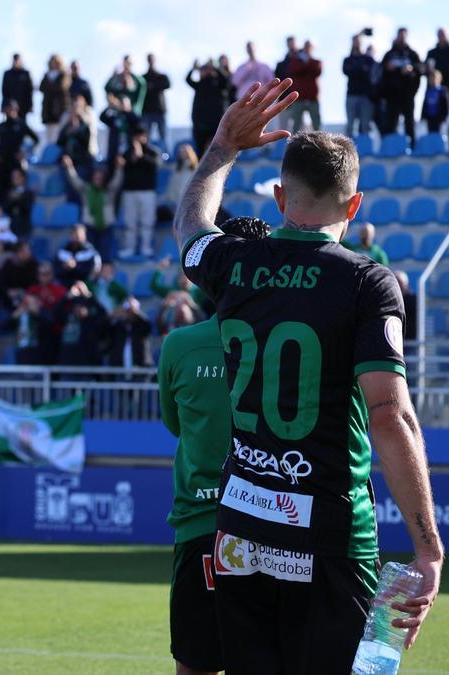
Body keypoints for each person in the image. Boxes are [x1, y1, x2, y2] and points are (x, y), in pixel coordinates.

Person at [173, 78, 442, 671]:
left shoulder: (234, 264)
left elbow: (190, 227)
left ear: (277, 198)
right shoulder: (368, 282)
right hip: (330, 532)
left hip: (241, 528)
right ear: (354, 206)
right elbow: (390, 415)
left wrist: (222, 147)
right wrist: (428, 547)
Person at [159, 215, 271, 675]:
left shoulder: (180, 345)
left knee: (197, 664)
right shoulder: (289, 340)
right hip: (278, 522)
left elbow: (174, 425)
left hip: (202, 523)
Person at [117, 128, 160, 259]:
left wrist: (140, 156)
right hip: (130, 192)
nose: (137, 139)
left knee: (147, 222)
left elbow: (155, 165)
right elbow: (124, 168)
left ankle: (146, 248)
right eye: (135, 136)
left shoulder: (153, 151)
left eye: (140, 135)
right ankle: (130, 248)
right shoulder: (126, 153)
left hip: (147, 192)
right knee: (130, 223)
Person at [381, 28, 425, 145]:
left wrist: (411, 68)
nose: (401, 38)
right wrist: (388, 68)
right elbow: (381, 71)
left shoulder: (412, 54)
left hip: (408, 94)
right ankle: (390, 146)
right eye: (400, 35)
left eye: (403, 35)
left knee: (409, 122)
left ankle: (412, 146)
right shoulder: (389, 54)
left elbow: (421, 69)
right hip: (392, 95)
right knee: (391, 122)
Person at [0, 101, 40, 190]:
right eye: (7, 109)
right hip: (2, 162)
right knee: (2, 189)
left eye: (11, 109)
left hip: (16, 162)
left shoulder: (21, 125)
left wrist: (24, 154)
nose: (9, 112)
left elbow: (36, 140)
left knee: (16, 189)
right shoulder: (1, 126)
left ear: (16, 109)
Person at [186, 60, 231, 155]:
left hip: (216, 125)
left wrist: (216, 67)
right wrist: (193, 69)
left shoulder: (218, 84)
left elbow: (226, 79)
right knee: (200, 153)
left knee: (219, 152)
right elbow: (188, 79)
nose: (204, 71)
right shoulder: (199, 85)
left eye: (206, 69)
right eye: (202, 69)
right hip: (200, 126)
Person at [343, 34, 378, 137]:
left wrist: (357, 70)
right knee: (350, 125)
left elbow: (373, 72)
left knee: (365, 125)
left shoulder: (368, 59)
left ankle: (365, 149)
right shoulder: (347, 60)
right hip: (351, 95)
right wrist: (361, 69)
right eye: (355, 41)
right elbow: (347, 71)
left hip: (365, 96)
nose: (356, 43)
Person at [286, 41, 323, 132]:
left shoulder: (316, 62)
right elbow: (295, 70)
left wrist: (307, 62)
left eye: (309, 47)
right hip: (299, 99)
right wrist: (305, 63)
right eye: (306, 46)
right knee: (296, 125)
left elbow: (317, 71)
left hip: (313, 99)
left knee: (316, 124)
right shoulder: (295, 62)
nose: (307, 49)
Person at [39, 54, 72, 143]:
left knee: (58, 135)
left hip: (60, 110)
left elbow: (62, 87)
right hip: (48, 111)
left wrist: (50, 86)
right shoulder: (47, 75)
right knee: (49, 137)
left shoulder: (64, 74)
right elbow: (41, 87)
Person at [141, 53, 171, 143]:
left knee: (163, 137)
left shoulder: (161, 76)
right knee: (146, 138)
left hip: (160, 110)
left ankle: (166, 156)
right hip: (147, 111)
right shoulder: (143, 78)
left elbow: (168, 84)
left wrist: (152, 86)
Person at [426, 28, 449, 99]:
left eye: (443, 34)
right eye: (440, 35)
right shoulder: (432, 53)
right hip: (434, 89)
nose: (441, 37)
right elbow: (426, 69)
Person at [1, 53, 34, 119]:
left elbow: (30, 91)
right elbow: (4, 91)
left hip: (23, 106)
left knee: (22, 126)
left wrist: (30, 106)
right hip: (10, 107)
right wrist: (4, 106)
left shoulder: (26, 74)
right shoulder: (7, 74)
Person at [421, 70, 449, 134]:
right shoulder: (428, 90)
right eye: (431, 78)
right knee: (430, 133)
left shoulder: (443, 90)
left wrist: (446, 116)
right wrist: (423, 116)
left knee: (440, 134)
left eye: (434, 78)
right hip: (429, 117)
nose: (432, 80)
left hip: (440, 117)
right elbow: (425, 104)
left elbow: (447, 104)